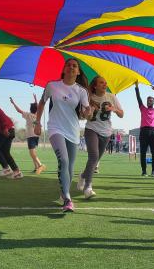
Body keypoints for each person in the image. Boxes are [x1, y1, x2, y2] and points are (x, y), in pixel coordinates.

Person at [34, 58, 91, 212]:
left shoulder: (81, 91)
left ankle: (63, 192)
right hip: (55, 128)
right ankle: (67, 198)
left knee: (70, 166)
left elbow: (86, 114)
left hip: (73, 131)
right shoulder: (52, 85)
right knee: (64, 160)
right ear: (64, 69)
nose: (71, 68)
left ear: (78, 71)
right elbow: (41, 103)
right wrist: (37, 123)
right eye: (69, 65)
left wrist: (88, 112)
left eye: (75, 66)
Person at [77, 76, 123, 199]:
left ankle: (82, 176)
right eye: (101, 83)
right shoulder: (88, 97)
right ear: (95, 86)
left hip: (106, 133)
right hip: (91, 129)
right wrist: (89, 112)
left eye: (105, 83)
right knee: (94, 156)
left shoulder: (111, 97)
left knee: (95, 160)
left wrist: (114, 109)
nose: (104, 85)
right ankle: (88, 187)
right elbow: (82, 116)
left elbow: (122, 114)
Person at [10, 94, 46, 174]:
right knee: (32, 152)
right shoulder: (37, 115)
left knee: (32, 153)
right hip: (36, 136)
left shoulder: (28, 115)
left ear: (30, 109)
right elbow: (38, 107)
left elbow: (18, 110)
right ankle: (36, 167)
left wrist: (13, 103)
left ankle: (40, 165)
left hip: (31, 136)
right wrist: (36, 99)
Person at [135, 82, 154, 176]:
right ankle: (144, 171)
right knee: (143, 152)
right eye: (148, 100)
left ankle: (153, 171)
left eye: (151, 100)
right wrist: (136, 87)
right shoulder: (142, 108)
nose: (149, 101)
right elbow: (138, 98)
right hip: (144, 131)